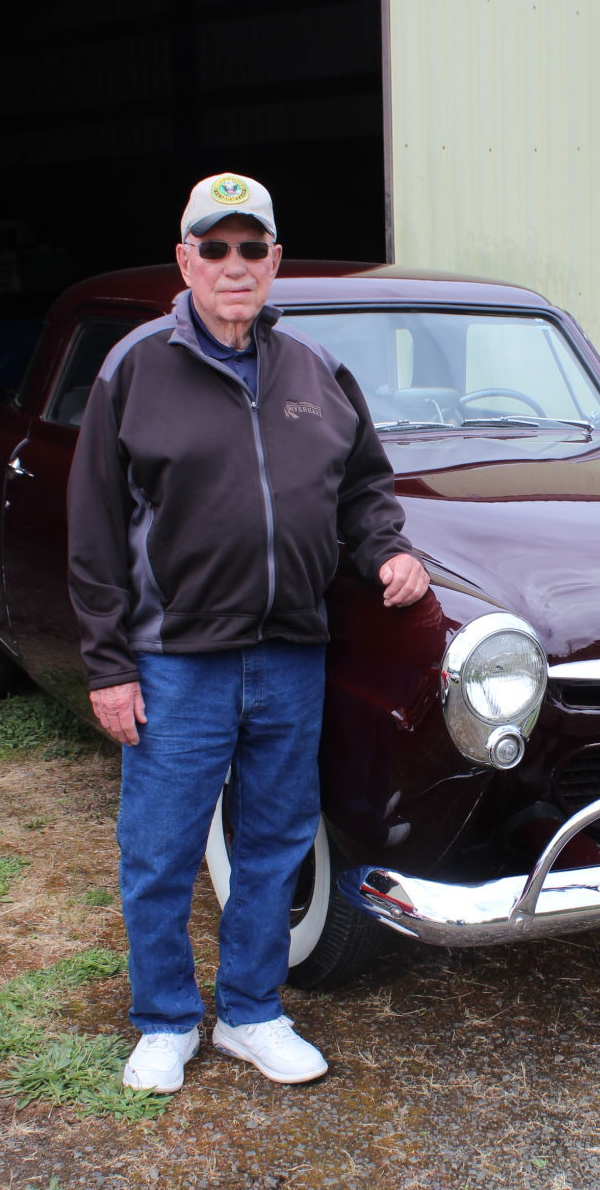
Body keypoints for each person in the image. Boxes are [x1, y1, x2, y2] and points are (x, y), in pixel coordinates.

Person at [67, 173, 428, 1095]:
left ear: (275, 259)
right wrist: (110, 664)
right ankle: (162, 1020)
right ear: (184, 258)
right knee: (161, 849)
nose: (235, 265)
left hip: (289, 653)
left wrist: (387, 550)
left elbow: (362, 486)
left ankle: (253, 1012)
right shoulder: (136, 368)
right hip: (176, 659)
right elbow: (96, 529)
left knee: (273, 841)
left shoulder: (314, 370)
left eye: (251, 247)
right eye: (214, 248)